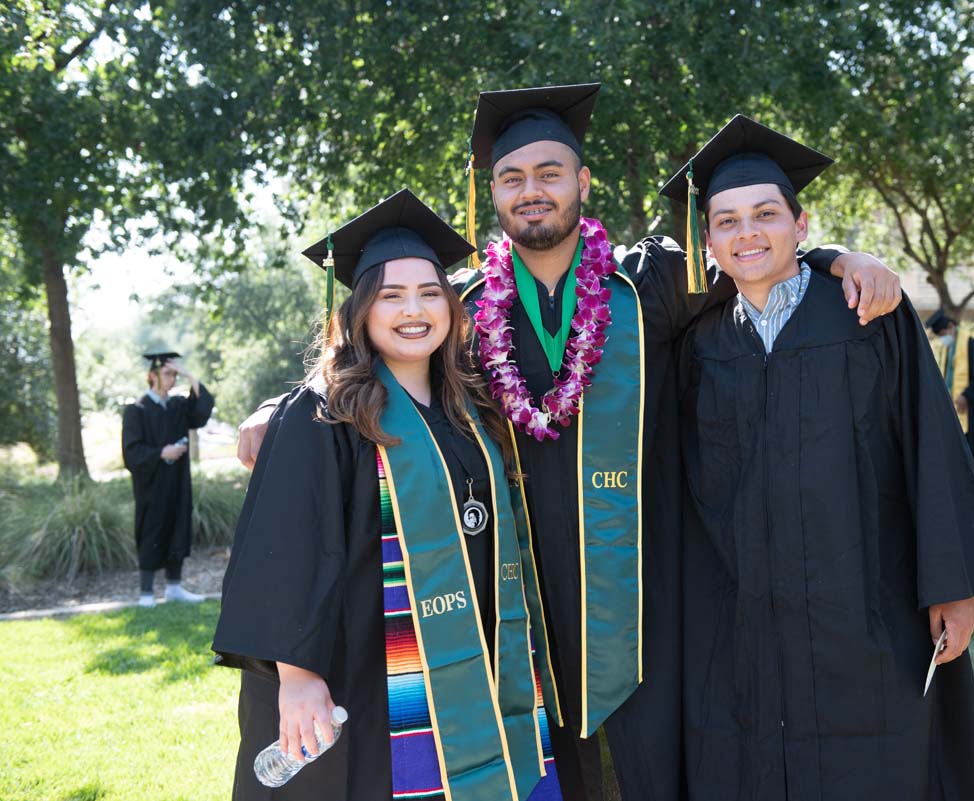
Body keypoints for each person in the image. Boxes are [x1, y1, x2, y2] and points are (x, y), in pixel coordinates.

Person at [236, 84, 902, 801]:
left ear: (582, 182)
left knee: (653, 767)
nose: (532, 191)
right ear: (492, 194)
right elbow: (382, 349)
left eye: (550, 173)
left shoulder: (648, 283)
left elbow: (749, 254)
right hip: (516, 604)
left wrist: (839, 257)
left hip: (641, 600)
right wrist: (283, 406)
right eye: (512, 178)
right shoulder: (466, 309)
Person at [662, 115, 974, 800]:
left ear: (800, 225)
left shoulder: (865, 314)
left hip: (865, 602)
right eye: (727, 221)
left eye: (766, 214)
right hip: (743, 613)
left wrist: (954, 585)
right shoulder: (698, 339)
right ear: (707, 240)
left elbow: (930, 445)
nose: (747, 233)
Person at [212, 190, 562, 801]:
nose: (414, 310)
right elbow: (286, 545)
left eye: (430, 293)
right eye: (391, 296)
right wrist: (296, 675)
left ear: (451, 304)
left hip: (477, 652)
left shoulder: (470, 402)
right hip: (370, 665)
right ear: (360, 311)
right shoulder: (325, 412)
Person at [121, 351, 214, 607]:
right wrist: (162, 452)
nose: (172, 379)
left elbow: (202, 410)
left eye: (174, 374)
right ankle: (146, 593)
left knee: (177, 525)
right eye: (167, 373)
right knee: (151, 529)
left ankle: (174, 587)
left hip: (177, 482)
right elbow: (131, 451)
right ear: (152, 376)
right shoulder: (137, 410)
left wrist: (189, 375)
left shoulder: (177, 406)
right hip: (151, 484)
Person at [926, 309, 974, 483]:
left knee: (972, 451)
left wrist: (967, 395)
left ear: (951, 326)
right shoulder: (948, 349)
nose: (943, 338)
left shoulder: (972, 346)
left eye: (943, 334)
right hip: (951, 410)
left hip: (970, 411)